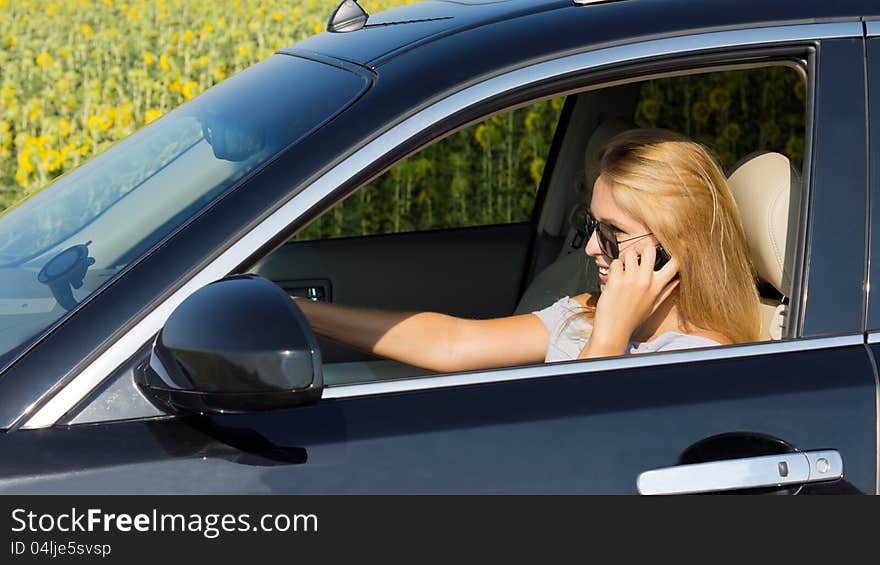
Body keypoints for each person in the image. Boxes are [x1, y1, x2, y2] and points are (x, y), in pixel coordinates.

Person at [294, 128, 761, 372]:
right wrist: (303, 315)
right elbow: (454, 344)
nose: (593, 248)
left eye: (614, 232)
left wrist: (613, 334)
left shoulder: (698, 360)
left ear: (675, 246)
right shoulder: (589, 312)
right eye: (591, 225)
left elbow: (577, 435)